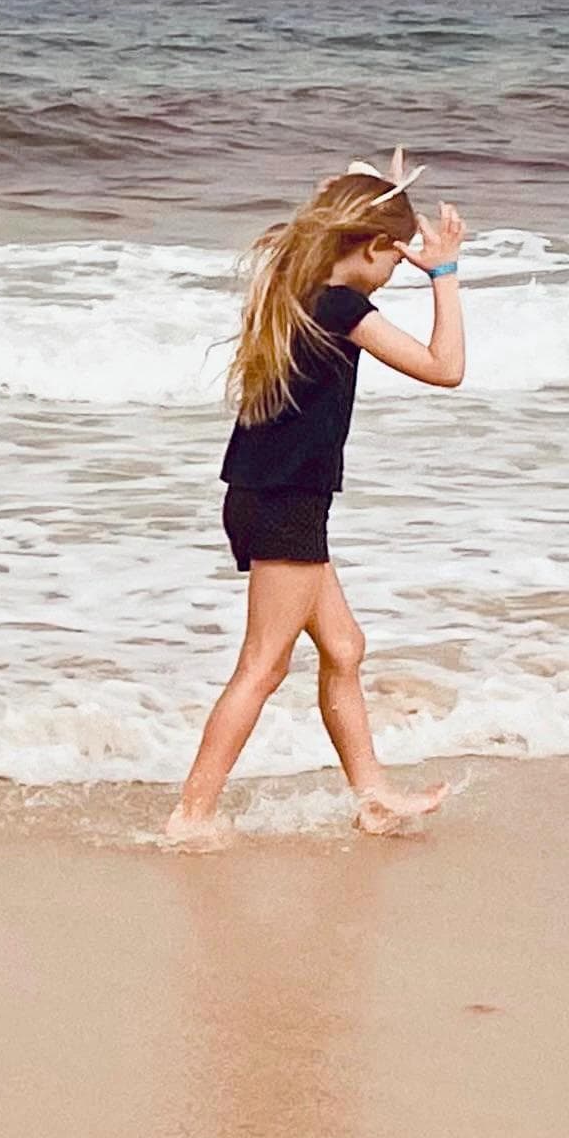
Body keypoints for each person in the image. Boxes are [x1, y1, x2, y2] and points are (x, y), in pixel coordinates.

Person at [166, 150, 467, 842]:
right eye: (393, 259)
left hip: (262, 492)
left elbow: (321, 216)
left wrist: (366, 195)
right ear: (367, 249)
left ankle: (372, 796)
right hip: (287, 500)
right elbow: (445, 368)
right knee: (264, 665)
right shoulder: (337, 304)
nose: (396, 271)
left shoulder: (293, 284)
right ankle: (191, 815)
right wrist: (444, 273)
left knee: (345, 646)